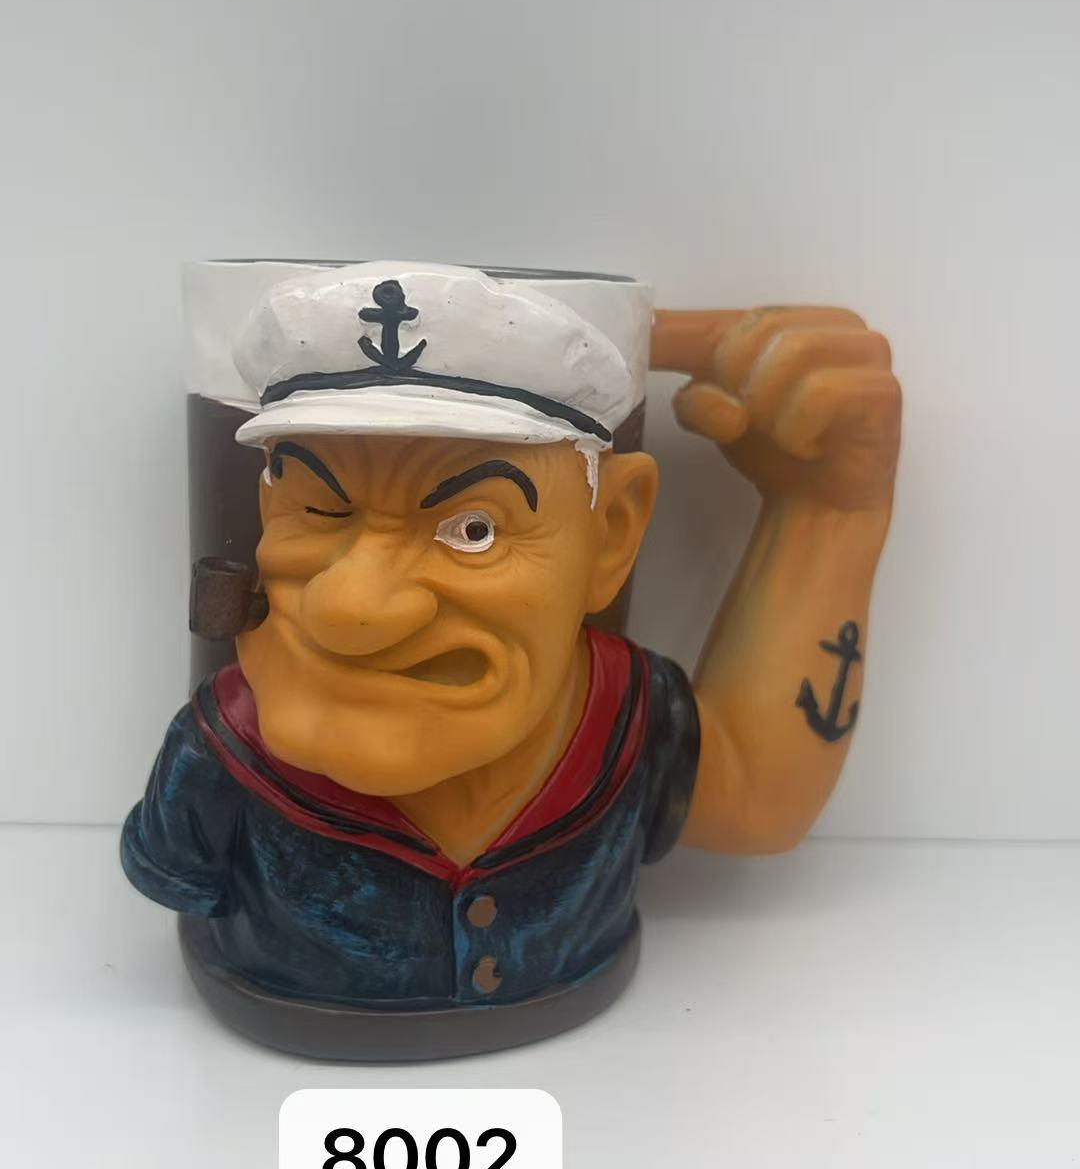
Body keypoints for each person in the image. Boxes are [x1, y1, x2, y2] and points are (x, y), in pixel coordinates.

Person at [122, 263, 900, 1058]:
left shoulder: (619, 713)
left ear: (612, 535)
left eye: (475, 530)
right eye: (319, 509)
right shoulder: (224, 745)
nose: (349, 607)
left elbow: (757, 796)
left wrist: (826, 516)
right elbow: (177, 874)